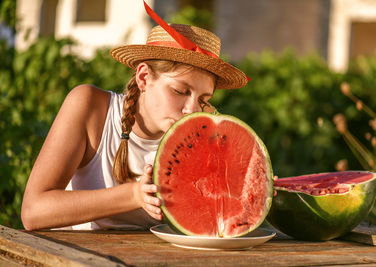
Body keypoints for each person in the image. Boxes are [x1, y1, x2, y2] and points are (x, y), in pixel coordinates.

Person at [21, 2, 249, 231]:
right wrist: (133, 195)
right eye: (180, 91)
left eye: (203, 100)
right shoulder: (91, 107)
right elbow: (33, 211)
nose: (191, 110)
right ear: (143, 78)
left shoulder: (203, 136)